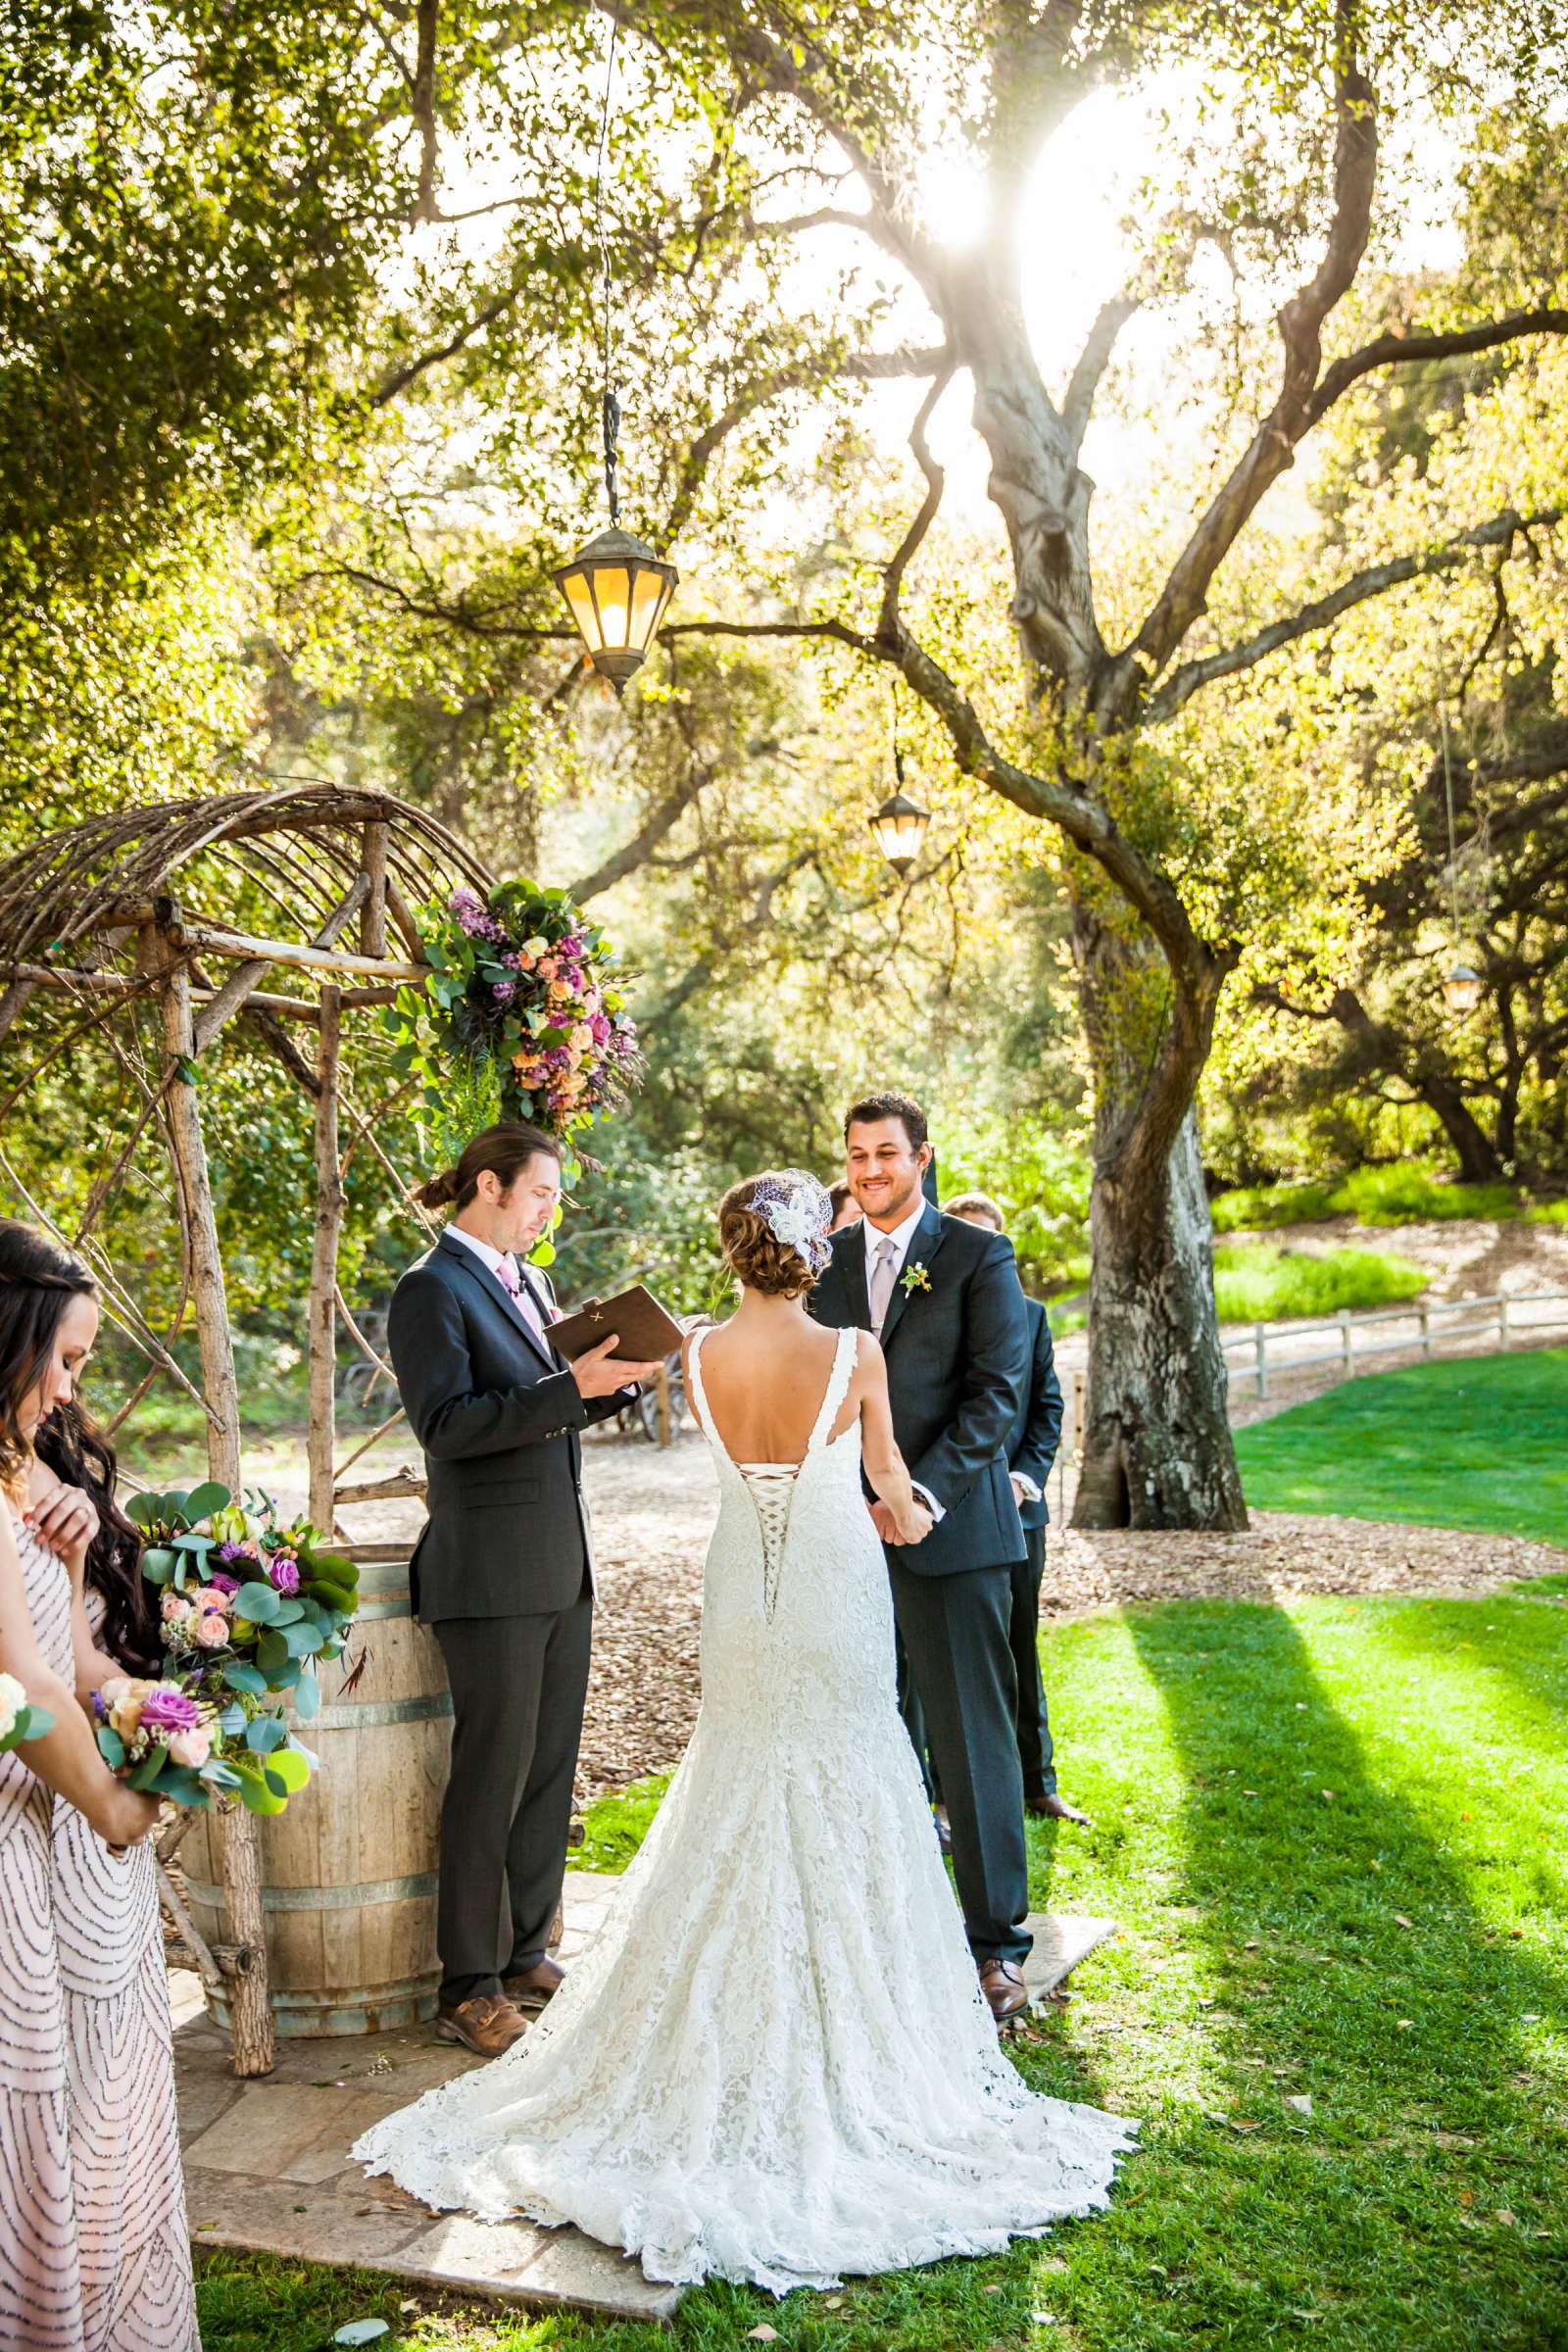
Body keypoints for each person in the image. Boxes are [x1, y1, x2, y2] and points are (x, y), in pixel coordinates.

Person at [355, 1170, 1133, 2291]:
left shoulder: (698, 1355)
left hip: (740, 1595)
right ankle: (854, 2026)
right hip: (832, 1589)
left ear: (732, 1251)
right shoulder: (855, 1354)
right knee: (854, 1764)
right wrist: (926, 1513)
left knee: (741, 1767)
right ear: (814, 1253)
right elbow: (890, 1490)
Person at [390, 1123, 662, 2058]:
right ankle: (465, 1987)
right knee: (490, 1775)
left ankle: (524, 1949)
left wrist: (613, 1386)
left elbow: (550, 1405)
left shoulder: (533, 1282)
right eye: (542, 1193)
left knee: (548, 1767)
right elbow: (448, 1425)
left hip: (560, 1561)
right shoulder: (431, 1290)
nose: (551, 1210)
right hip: (488, 1572)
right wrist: (565, 1391)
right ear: (491, 1187)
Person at [0, 1218, 199, 2352]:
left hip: (74, 1847)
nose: (74, 1391)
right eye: (65, 1360)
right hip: (30, 1840)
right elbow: (18, 1694)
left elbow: (68, 1658)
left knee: (106, 2107)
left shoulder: (28, 1464)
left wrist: (167, 1720)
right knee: (40, 2119)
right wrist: (118, 1805)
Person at [809, 1092, 1036, 2024]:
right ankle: (884, 1924)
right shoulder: (823, 1265)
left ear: (923, 1157)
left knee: (971, 1739)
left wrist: (919, 1495)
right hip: (848, 1542)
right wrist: (848, 1503)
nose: (870, 1171)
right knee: (868, 1731)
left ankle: (996, 1946)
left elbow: (997, 1394)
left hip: (954, 1533)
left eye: (887, 1155)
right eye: (858, 1156)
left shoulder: (979, 1257)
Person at [944, 1192, 1089, 1830]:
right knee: (950, 1661)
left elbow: (1047, 1409)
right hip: (946, 1517)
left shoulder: (1030, 1317)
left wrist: (1026, 1479)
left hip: (1018, 1514)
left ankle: (1039, 1782)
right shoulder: (930, 1316)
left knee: (1019, 1647)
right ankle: (949, 1790)